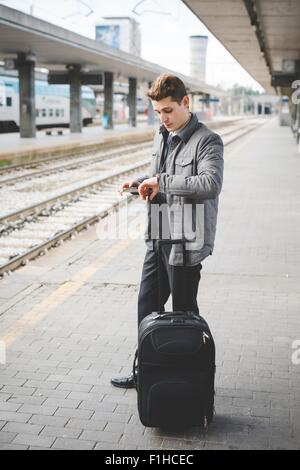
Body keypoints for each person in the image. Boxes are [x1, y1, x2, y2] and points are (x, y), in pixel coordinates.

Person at [111, 74, 224, 388]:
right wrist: (139, 185)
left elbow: (210, 184)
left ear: (185, 103)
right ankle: (145, 372)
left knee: (185, 314)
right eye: (158, 112)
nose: (163, 118)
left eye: (168, 110)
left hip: (186, 242)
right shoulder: (160, 135)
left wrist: (162, 182)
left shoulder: (207, 140)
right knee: (147, 307)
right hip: (158, 234)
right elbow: (156, 177)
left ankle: (190, 380)